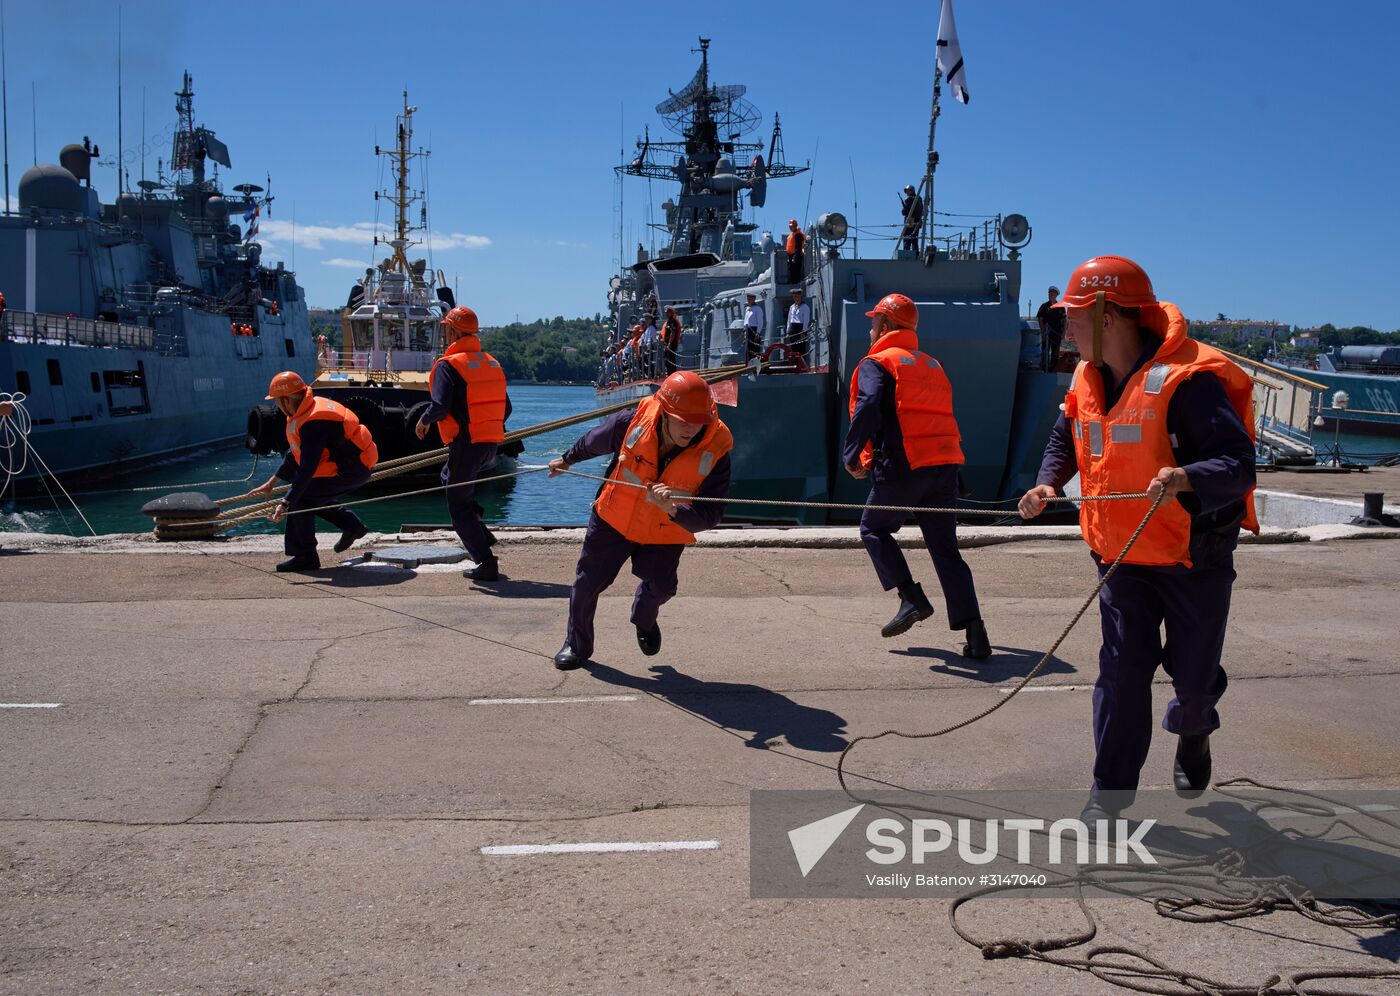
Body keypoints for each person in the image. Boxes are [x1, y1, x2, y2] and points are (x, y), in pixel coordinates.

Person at [1016, 255, 1258, 824]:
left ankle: (1194, 727)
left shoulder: (1189, 382)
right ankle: (1109, 797)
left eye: (1073, 317)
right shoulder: (1084, 378)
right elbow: (1067, 435)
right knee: (1123, 675)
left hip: (1191, 554)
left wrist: (1186, 477)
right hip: (1120, 556)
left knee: (1193, 680)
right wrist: (1047, 484)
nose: (1066, 328)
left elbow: (1239, 465)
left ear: (1108, 316)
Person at [547, 370, 733, 670]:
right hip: (615, 518)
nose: (692, 430)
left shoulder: (717, 447)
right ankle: (577, 645)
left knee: (662, 588)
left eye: (700, 423)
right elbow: (595, 441)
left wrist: (674, 509)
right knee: (586, 583)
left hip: (665, 529)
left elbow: (711, 516)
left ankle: (644, 619)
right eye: (684, 422)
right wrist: (567, 460)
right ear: (665, 413)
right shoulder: (631, 422)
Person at [844, 293, 991, 656]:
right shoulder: (932, 365)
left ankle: (911, 597)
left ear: (887, 326)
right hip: (943, 470)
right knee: (946, 550)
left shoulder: (877, 363)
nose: (870, 328)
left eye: (874, 321)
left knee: (874, 529)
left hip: (903, 467)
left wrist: (852, 454)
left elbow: (868, 404)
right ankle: (976, 634)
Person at [416, 305, 511, 582]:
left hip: (467, 443)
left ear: (452, 330)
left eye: (446, 327)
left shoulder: (448, 365)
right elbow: (506, 409)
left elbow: (440, 406)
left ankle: (485, 562)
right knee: (448, 478)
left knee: (457, 507)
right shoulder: (491, 362)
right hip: (491, 442)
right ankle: (481, 532)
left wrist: (423, 421)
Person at [253, 371, 378, 573]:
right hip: (348, 467)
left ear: (286, 400)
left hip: (352, 469)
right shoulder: (305, 410)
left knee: (301, 500)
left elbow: (307, 468)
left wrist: (285, 502)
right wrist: (272, 482)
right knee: (310, 495)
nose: (276, 405)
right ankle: (352, 525)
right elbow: (295, 455)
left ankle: (306, 556)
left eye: (277, 401)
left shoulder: (314, 423)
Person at [1036, 286, 1066, 372]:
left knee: (1055, 353)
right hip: (1047, 333)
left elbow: (1064, 321)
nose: (1050, 295)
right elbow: (1040, 318)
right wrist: (1042, 330)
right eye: (1049, 293)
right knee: (1045, 352)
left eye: (1052, 293)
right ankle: (1044, 369)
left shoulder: (1060, 307)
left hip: (1057, 334)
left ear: (1056, 295)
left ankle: (1053, 369)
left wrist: (1063, 333)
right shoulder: (1044, 306)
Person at [785, 288, 811, 363]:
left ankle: (801, 364)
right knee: (792, 348)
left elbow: (806, 320)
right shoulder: (792, 307)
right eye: (794, 296)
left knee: (800, 348)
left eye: (796, 296)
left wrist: (803, 332)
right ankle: (794, 364)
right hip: (792, 329)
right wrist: (787, 331)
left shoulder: (805, 307)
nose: (795, 298)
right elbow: (789, 320)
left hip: (800, 329)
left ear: (800, 296)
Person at [899, 184, 924, 254]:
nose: (907, 193)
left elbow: (906, 211)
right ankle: (916, 253)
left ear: (911, 191)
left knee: (907, 237)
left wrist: (903, 210)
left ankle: (906, 253)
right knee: (914, 238)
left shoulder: (910, 199)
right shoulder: (919, 198)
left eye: (908, 191)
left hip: (910, 220)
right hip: (918, 220)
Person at [743, 292, 765, 361]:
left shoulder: (758, 309)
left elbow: (760, 322)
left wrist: (757, 333)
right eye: (748, 299)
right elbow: (746, 321)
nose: (749, 300)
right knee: (749, 350)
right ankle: (750, 366)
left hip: (754, 331)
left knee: (755, 350)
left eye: (750, 299)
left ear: (754, 299)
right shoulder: (747, 309)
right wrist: (745, 333)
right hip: (748, 330)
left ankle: (756, 368)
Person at [661, 306, 683, 375]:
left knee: (671, 359)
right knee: (667, 360)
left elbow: (673, 333)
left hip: (671, 344)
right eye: (666, 313)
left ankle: (673, 374)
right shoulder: (668, 322)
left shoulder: (674, 322)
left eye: (668, 312)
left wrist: (669, 344)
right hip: (666, 344)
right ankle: (669, 373)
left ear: (672, 312)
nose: (667, 314)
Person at [785, 219, 805, 284]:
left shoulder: (798, 235)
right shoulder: (792, 234)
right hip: (791, 256)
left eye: (792, 226)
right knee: (791, 271)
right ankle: (793, 283)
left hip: (796, 256)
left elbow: (798, 247)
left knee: (795, 272)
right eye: (790, 226)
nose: (790, 227)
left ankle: (795, 284)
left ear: (795, 226)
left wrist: (795, 257)